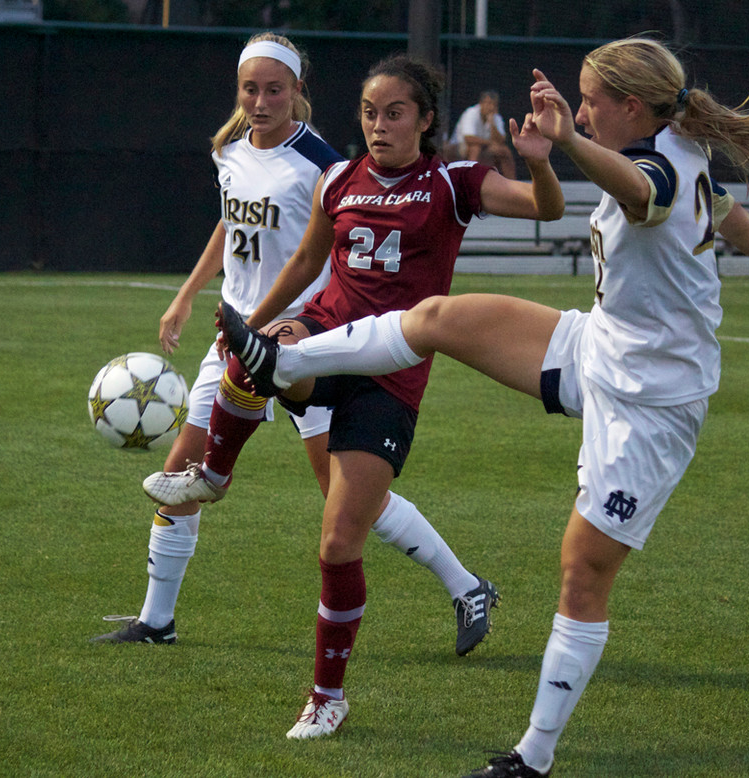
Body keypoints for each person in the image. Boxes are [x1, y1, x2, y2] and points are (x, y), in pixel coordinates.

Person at [217, 37, 749, 774]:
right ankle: (280, 358)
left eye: (591, 99)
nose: (580, 109)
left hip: (652, 406)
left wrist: (565, 141)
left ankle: (531, 758)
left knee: (581, 572)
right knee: (443, 316)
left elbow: (646, 194)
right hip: (601, 347)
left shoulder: (657, 165)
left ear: (630, 107)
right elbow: (725, 212)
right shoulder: (675, 145)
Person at [146, 52, 567, 739]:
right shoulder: (339, 178)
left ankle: (327, 697)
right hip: (326, 334)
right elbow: (310, 262)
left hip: (391, 371)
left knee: (340, 542)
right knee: (262, 356)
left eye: (395, 113)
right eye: (370, 113)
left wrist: (542, 161)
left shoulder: (454, 181)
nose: (379, 125)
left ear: (426, 120)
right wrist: (251, 325)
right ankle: (213, 477)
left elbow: (545, 210)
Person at [92, 33, 497, 661]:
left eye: (272, 89)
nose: (259, 101)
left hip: (310, 340)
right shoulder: (228, 149)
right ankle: (157, 619)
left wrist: (304, 327)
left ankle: (466, 585)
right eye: (249, 89)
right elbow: (232, 222)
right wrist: (188, 295)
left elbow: (330, 245)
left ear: (297, 92)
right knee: (179, 473)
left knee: (345, 499)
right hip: (240, 334)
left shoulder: (322, 161)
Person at [450, 90, 517, 178]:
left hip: (484, 147)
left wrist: (492, 124)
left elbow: (501, 140)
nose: (491, 107)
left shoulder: (496, 117)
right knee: (475, 148)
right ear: (481, 103)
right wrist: (490, 142)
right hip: (460, 146)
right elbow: (468, 138)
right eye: (488, 103)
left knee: (504, 151)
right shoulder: (471, 113)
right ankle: (471, 179)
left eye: (494, 104)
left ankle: (512, 183)